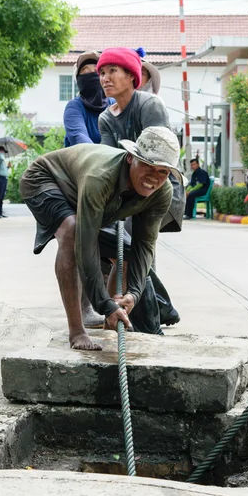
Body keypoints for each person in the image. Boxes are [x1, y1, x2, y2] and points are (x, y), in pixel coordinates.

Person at [19, 126, 182, 351]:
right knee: (72, 231)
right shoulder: (101, 178)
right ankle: (77, 331)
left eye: (163, 172)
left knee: (125, 255)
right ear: (130, 158)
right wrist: (103, 303)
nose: (153, 178)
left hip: (85, 195)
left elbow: (144, 246)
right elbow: (85, 247)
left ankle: (112, 322)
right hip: (45, 179)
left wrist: (133, 294)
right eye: (148, 166)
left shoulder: (162, 193)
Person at [97, 47, 183, 327]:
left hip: (159, 187)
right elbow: (110, 161)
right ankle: (159, 307)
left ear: (132, 77)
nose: (104, 78)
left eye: (112, 71)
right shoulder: (106, 118)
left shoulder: (149, 105)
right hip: (129, 192)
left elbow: (161, 155)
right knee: (126, 249)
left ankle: (152, 321)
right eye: (101, 72)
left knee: (137, 249)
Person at [63, 51, 114, 328]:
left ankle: (111, 303)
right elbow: (81, 140)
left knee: (115, 247)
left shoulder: (115, 105)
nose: (92, 79)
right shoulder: (74, 108)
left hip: (110, 183)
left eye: (97, 73)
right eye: (85, 75)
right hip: (77, 183)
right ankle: (83, 310)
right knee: (82, 243)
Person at [63, 51, 114, 147]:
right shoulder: (74, 107)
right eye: (86, 71)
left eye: (97, 71)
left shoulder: (114, 105)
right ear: (78, 80)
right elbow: (79, 138)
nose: (92, 74)